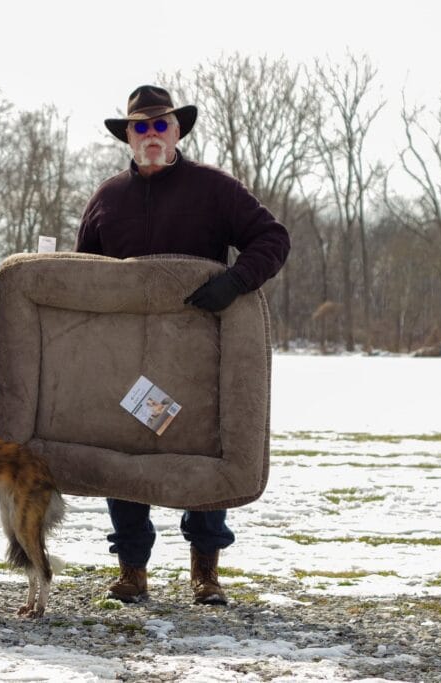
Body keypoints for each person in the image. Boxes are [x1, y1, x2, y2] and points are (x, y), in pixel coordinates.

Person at [75, 85, 290, 605]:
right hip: (129, 355)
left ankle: (206, 571)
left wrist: (236, 282)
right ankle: (132, 569)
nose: (151, 135)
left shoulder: (214, 189)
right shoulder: (107, 199)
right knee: (125, 454)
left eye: (160, 125)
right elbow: (84, 275)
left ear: (178, 131)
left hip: (197, 353)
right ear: (127, 136)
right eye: (140, 127)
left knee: (200, 454)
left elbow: (273, 238)